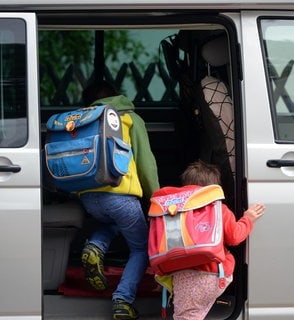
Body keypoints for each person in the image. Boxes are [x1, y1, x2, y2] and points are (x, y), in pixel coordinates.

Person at [79, 80, 160, 320]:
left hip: (89, 198)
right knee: (141, 247)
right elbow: (146, 164)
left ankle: (95, 246)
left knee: (111, 223)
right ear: (117, 96)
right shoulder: (129, 119)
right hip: (120, 196)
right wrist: (157, 199)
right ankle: (123, 300)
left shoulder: (83, 118)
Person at [161, 160, 265, 320]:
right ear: (214, 190)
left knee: (186, 316)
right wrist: (247, 219)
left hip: (183, 275)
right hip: (213, 274)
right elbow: (235, 237)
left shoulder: (173, 212)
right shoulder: (219, 209)